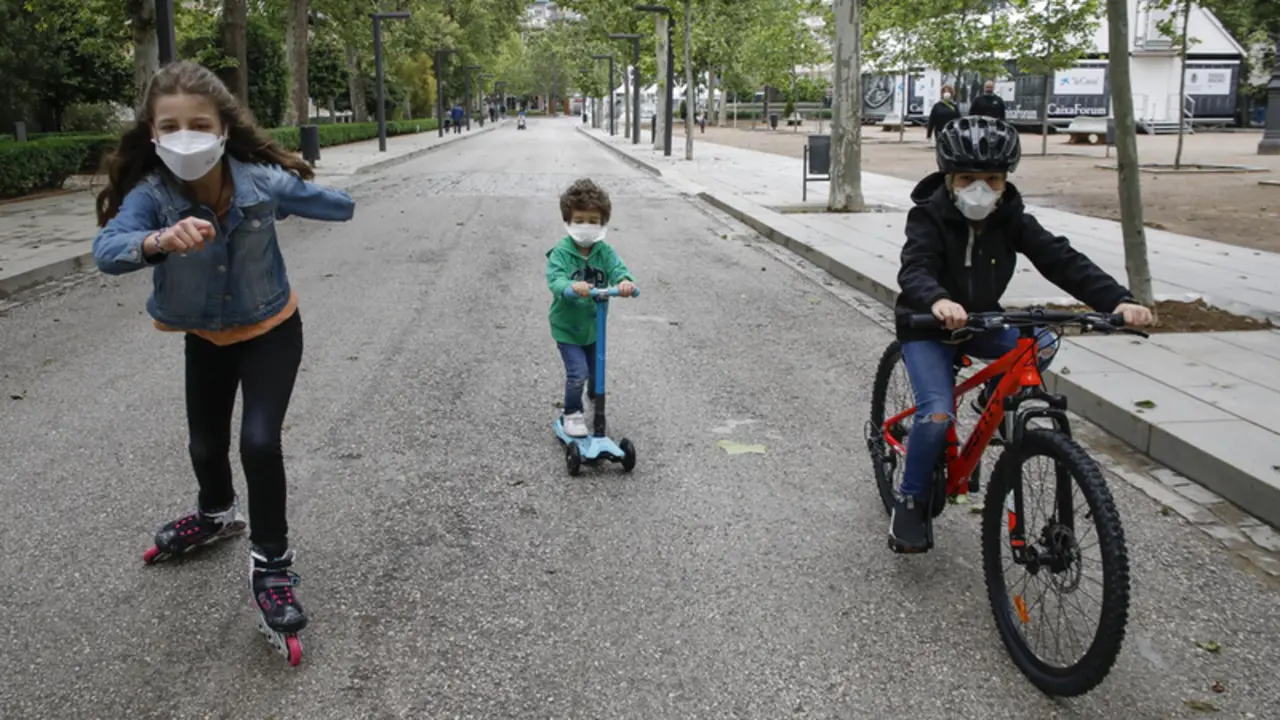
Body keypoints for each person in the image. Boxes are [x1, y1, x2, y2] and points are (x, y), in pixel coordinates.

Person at [91, 62, 355, 631]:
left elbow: (340, 204)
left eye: (199, 124)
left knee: (258, 443)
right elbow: (109, 249)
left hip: (272, 329)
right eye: (171, 126)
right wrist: (159, 239)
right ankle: (216, 513)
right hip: (206, 336)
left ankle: (273, 563)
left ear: (223, 130)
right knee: (205, 445)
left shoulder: (258, 181)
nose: (186, 137)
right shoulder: (153, 194)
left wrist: (298, 194)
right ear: (154, 135)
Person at [889, 117, 1153, 553]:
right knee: (936, 414)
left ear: (1005, 180)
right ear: (949, 179)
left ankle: (992, 393)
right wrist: (936, 300)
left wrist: (1118, 301)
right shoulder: (928, 217)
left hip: (982, 323)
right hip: (928, 327)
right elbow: (914, 267)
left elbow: (1063, 260)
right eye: (968, 178)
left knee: (1042, 340)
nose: (981, 188)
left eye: (992, 178)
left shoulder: (1012, 219)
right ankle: (912, 498)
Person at [545, 179, 636, 438]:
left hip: (595, 326)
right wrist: (572, 287)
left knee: (598, 374)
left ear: (603, 222)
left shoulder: (603, 251)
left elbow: (618, 268)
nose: (587, 226)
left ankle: (594, 403)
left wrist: (625, 281)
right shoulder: (561, 253)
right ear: (569, 220)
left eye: (593, 220)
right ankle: (572, 413)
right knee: (578, 373)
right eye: (580, 219)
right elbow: (556, 280)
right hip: (568, 327)